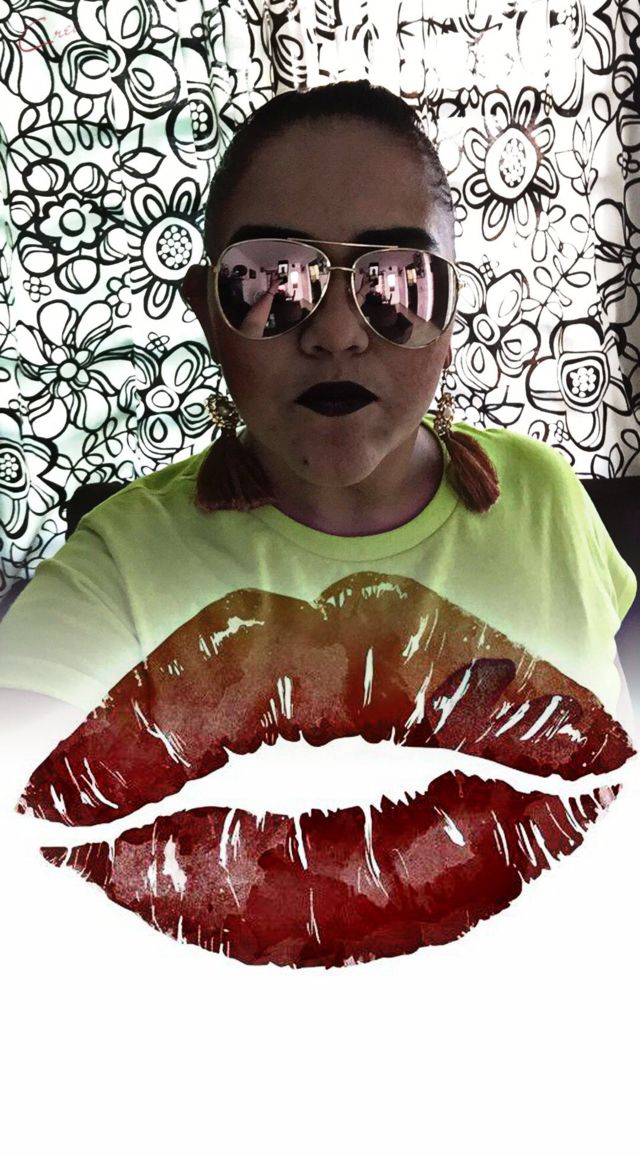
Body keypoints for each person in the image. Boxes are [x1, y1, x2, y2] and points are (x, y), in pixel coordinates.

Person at [0, 81, 636, 968]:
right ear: (208, 313)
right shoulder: (118, 570)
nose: (337, 331)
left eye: (397, 282)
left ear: (449, 316)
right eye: (269, 279)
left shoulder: (545, 495)